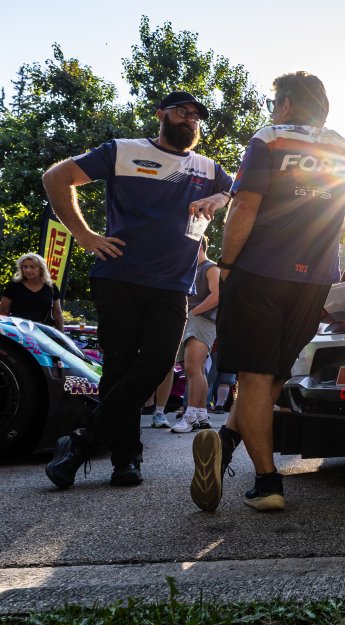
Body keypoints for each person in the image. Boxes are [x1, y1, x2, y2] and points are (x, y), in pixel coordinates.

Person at [41, 91, 233, 488]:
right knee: (119, 370)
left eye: (196, 116)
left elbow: (241, 189)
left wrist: (219, 195)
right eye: (181, 112)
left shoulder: (207, 168)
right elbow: (55, 177)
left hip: (173, 287)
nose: (190, 119)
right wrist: (84, 235)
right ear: (160, 114)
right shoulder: (123, 151)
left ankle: (79, 441)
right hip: (119, 278)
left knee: (158, 364)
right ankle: (126, 460)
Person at [189, 72, 345, 513]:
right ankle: (226, 442)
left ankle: (268, 482)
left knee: (254, 376)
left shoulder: (270, 138)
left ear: (284, 104)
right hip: (316, 279)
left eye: (273, 103)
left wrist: (227, 265)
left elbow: (245, 204)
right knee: (273, 377)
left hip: (261, 271)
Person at [170, 237, 220, 433]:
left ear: (198, 246)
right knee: (195, 370)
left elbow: (217, 295)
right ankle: (201, 414)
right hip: (190, 320)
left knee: (193, 369)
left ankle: (189, 417)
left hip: (202, 321)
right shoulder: (190, 268)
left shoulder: (210, 267)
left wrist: (193, 312)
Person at [1, 253, 64, 330]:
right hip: (18, 332)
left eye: (32, 267)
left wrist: (61, 334)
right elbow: (3, 311)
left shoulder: (51, 288)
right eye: (25, 267)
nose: (28, 270)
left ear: (41, 269)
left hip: (43, 332)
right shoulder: (13, 286)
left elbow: (57, 313)